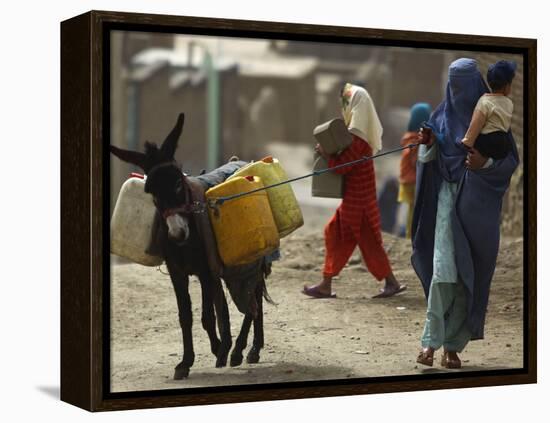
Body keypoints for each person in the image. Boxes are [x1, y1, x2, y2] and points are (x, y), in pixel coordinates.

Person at [412, 58, 518, 369]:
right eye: (453, 85)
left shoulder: (493, 115)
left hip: (476, 210)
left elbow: (509, 161)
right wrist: (427, 144)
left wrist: (484, 164)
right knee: (444, 271)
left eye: (464, 85)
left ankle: (453, 348)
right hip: (446, 204)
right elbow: (430, 156)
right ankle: (430, 343)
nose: (458, 93)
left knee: (465, 277)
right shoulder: (440, 116)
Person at [303, 83, 406, 299]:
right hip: (360, 201)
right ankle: (388, 283)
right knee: (352, 239)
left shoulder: (358, 138)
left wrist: (325, 153)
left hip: (358, 204)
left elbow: (342, 167)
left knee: (350, 240)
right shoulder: (359, 135)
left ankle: (327, 283)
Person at [461, 60, 517, 159]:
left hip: (487, 142)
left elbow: (476, 124)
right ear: (507, 86)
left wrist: (467, 141)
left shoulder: (484, 102)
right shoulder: (509, 103)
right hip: (504, 144)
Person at [398, 103, 432, 239]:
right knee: (415, 211)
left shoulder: (408, 137)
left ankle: (410, 235)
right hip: (413, 180)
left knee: (412, 210)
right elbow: (415, 161)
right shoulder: (416, 140)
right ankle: (411, 236)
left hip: (406, 179)